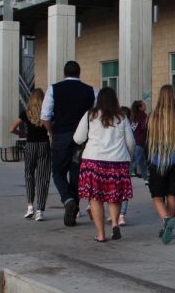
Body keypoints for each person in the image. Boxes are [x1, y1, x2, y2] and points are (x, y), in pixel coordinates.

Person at [72, 87, 134, 243]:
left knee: (95, 198)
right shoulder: (122, 117)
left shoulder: (90, 115)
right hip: (117, 162)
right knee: (114, 197)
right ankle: (114, 223)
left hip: (93, 162)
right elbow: (131, 143)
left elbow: (78, 138)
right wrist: (129, 156)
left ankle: (100, 234)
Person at [41, 61, 96, 227]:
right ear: (79, 73)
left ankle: (68, 199)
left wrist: (52, 133)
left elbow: (45, 117)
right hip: (83, 138)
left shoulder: (53, 89)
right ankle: (74, 207)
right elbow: (95, 114)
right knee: (76, 173)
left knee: (57, 171)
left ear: (64, 73)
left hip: (61, 135)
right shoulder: (91, 90)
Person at [146, 84, 175, 245]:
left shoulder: (153, 116)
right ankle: (168, 227)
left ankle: (166, 220)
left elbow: (147, 141)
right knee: (172, 193)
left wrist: (147, 160)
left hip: (157, 160)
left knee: (157, 195)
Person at [9, 88, 51, 222]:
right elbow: (52, 126)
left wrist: (23, 134)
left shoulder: (26, 113)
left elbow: (11, 128)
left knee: (29, 174)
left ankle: (30, 206)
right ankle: (40, 210)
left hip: (30, 145)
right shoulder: (47, 113)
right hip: (44, 145)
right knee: (43, 177)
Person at [129, 100, 148, 184]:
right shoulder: (143, 116)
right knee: (134, 162)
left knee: (142, 162)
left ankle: (146, 178)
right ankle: (125, 176)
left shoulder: (134, 116)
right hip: (140, 141)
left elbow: (132, 128)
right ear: (140, 107)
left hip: (135, 141)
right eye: (144, 105)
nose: (145, 106)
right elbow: (144, 127)